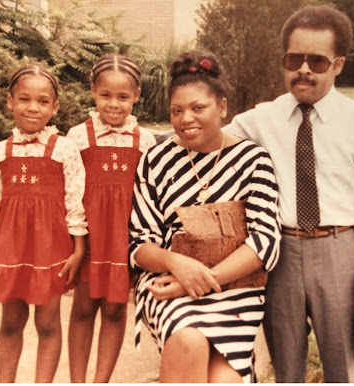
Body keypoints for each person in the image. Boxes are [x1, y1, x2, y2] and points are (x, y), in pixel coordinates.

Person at [225, 5, 354, 383]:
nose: (303, 69)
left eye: (317, 61)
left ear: (338, 65)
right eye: (294, 58)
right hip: (279, 253)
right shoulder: (260, 119)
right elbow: (206, 136)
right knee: (286, 367)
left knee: (343, 367)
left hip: (338, 253)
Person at [128, 50, 281, 383]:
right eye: (177, 110)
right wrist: (178, 266)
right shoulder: (156, 159)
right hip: (166, 284)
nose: (186, 119)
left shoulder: (254, 161)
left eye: (199, 108)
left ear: (222, 107)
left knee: (225, 380)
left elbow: (265, 243)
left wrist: (197, 279)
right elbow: (138, 244)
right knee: (188, 341)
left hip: (234, 286)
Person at [0, 64, 88, 382]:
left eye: (42, 101)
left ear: (55, 106)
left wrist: (78, 250)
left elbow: (75, 202)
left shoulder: (65, 149)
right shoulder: (0, 152)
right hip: (10, 247)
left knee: (48, 323)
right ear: (10, 102)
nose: (33, 108)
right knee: (11, 321)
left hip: (52, 248)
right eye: (24, 99)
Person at [66, 54, 156, 382]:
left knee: (116, 309)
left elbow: (150, 193)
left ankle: (100, 381)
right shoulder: (77, 136)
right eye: (106, 95)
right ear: (93, 92)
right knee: (84, 308)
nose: (114, 104)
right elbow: (70, 192)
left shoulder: (145, 141)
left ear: (137, 95)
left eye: (123, 96)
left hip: (125, 238)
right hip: (90, 236)